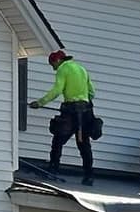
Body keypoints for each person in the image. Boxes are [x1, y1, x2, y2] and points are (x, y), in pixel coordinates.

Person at [31, 49, 99, 184]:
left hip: (71, 111)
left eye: (53, 65)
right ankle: (89, 176)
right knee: (84, 144)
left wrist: (40, 102)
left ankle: (53, 170)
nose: (54, 69)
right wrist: (83, 101)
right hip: (86, 111)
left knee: (58, 140)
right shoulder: (81, 68)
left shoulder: (63, 69)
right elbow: (92, 92)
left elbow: (57, 90)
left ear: (57, 61)